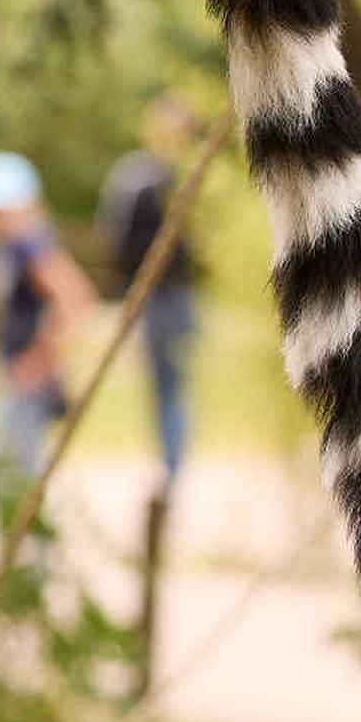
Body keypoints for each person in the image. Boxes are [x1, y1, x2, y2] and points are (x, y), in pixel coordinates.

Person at [0, 150, 98, 516]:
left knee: (16, 476)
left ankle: (30, 565)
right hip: (13, 375)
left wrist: (39, 361)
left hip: (27, 383)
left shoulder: (29, 244)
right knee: (11, 472)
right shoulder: (10, 246)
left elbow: (73, 299)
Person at [86, 96, 205, 502]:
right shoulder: (168, 177)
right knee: (172, 385)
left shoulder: (145, 178)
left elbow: (115, 241)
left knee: (167, 386)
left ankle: (172, 470)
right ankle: (173, 465)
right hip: (174, 295)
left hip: (164, 298)